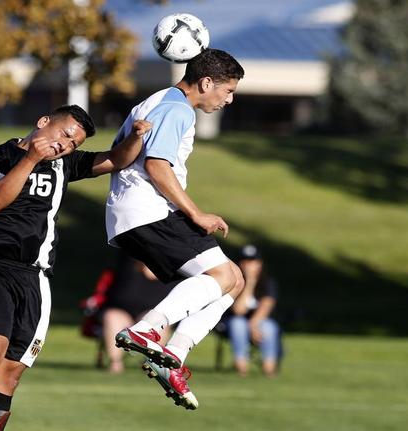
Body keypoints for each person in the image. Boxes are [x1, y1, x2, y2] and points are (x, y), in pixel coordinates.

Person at [0, 105, 151, 431]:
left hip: (35, 275)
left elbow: (117, 159)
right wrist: (30, 159)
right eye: (65, 134)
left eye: (74, 144)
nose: (65, 145)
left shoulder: (64, 164)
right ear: (43, 121)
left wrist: (136, 137)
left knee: (12, 371)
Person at [106, 48, 246, 409]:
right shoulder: (177, 108)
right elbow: (157, 165)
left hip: (136, 213)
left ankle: (174, 357)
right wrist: (196, 213)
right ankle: (147, 328)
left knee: (234, 279)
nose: (229, 100)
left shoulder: (162, 101)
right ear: (207, 82)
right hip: (148, 211)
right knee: (222, 275)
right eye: (228, 90)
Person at [100, 256, 173, 374]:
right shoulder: (128, 259)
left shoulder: (171, 266)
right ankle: (115, 364)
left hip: (153, 312)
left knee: (158, 319)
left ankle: (152, 364)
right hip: (122, 311)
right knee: (112, 316)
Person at [228, 244, 281, 377]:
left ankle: (269, 366)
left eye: (252, 261)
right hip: (238, 322)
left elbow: (266, 306)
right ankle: (241, 366)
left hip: (259, 322)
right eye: (245, 261)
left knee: (269, 326)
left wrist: (252, 325)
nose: (248, 265)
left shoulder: (268, 282)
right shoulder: (235, 282)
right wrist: (250, 282)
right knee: (237, 323)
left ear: (259, 264)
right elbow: (239, 310)